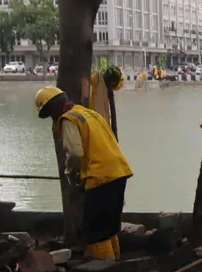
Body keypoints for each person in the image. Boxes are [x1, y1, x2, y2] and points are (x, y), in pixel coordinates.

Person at [34, 86, 132, 261]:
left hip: (100, 177)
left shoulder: (68, 119)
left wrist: (70, 172)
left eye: (49, 113)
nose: (52, 118)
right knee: (109, 226)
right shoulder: (90, 114)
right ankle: (115, 264)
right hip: (119, 172)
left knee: (94, 230)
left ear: (54, 107)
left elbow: (75, 153)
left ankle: (104, 268)